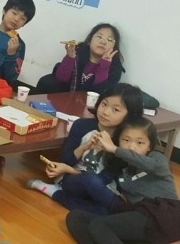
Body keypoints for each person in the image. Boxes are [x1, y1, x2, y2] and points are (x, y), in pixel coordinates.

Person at [66, 118, 180, 244]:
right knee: (76, 218)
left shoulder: (157, 159)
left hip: (168, 216)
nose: (131, 147)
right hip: (144, 224)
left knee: (99, 225)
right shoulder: (122, 170)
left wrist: (115, 149)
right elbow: (95, 182)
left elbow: (150, 165)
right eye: (126, 140)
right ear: (118, 141)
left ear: (150, 146)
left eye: (140, 143)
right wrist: (68, 169)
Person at [27, 83, 143, 215]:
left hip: (101, 186)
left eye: (115, 110)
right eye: (104, 104)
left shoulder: (125, 140)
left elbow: (105, 178)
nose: (105, 112)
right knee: (91, 182)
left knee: (103, 211)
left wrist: (112, 149)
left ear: (129, 115)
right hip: (71, 179)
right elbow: (65, 160)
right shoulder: (81, 125)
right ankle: (122, 210)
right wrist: (84, 147)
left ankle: (55, 193)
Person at [35, 23, 124, 94]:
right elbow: (61, 79)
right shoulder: (78, 53)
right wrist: (70, 58)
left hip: (89, 104)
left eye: (109, 40)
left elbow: (99, 93)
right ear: (89, 41)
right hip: (65, 96)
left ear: (114, 47)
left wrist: (104, 66)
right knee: (46, 81)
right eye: (99, 37)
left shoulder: (115, 69)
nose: (103, 41)